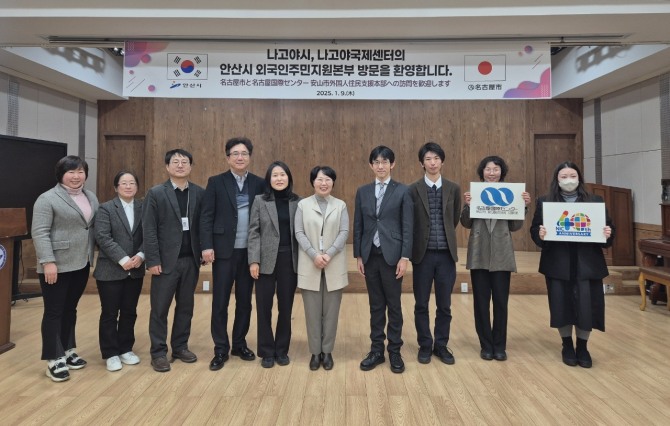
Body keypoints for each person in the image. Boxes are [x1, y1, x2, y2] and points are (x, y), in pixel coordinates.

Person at [530, 161, 614, 368]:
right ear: (557, 180)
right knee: (561, 305)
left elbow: (608, 229)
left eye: (572, 176)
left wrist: (607, 233)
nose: (569, 180)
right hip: (558, 263)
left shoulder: (594, 201)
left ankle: (583, 346)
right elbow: (535, 230)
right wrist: (540, 234)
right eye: (564, 176)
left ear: (579, 178)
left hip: (588, 264)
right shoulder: (545, 201)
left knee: (587, 306)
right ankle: (567, 344)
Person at [200, 137, 265, 371]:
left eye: (244, 153)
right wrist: (206, 246)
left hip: (249, 253)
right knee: (220, 302)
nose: (240, 157)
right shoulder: (216, 182)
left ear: (250, 157)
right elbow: (206, 216)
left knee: (245, 302)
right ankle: (220, 348)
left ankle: (239, 344)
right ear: (228, 158)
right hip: (223, 252)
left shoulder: (259, 183)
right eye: (235, 153)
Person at [32, 155, 99, 382]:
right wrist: (47, 262)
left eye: (80, 171)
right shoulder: (47, 199)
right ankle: (54, 358)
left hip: (81, 262)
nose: (76, 176)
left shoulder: (90, 196)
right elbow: (40, 232)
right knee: (54, 311)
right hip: (56, 265)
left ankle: (68, 350)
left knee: (70, 309)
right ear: (61, 174)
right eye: (71, 172)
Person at [460, 156, 530, 361]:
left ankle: (499, 345)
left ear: (502, 172)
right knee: (481, 303)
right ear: (482, 172)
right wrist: (467, 205)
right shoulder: (475, 193)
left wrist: (523, 206)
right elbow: (465, 223)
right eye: (488, 169)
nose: (492, 173)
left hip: (502, 254)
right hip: (479, 254)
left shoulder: (511, 193)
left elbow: (515, 226)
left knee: (500, 302)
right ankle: (486, 345)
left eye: (496, 169)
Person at [143, 149, 205, 373]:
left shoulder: (199, 192)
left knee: (186, 307)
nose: (180, 165)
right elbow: (149, 229)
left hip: (191, 260)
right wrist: (152, 259)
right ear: (167, 166)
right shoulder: (156, 193)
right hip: (165, 262)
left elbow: (203, 225)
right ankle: (158, 352)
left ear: (191, 166)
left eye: (184, 161)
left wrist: (204, 250)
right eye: (175, 162)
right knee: (159, 309)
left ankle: (180, 347)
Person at [353, 145, 413, 374]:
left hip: (392, 256)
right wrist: (359, 255)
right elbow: (358, 224)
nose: (380, 166)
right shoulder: (363, 191)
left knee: (394, 305)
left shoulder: (403, 191)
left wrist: (404, 257)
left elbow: (407, 226)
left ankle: (395, 350)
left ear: (392, 164)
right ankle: (376, 350)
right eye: (376, 162)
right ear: (371, 165)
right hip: (370, 255)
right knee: (376, 305)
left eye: (385, 162)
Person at [409, 142, 460, 365]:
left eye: (436, 158)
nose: (432, 163)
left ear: (442, 161)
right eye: (428, 159)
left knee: (444, 305)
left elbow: (454, 218)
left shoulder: (453, 188)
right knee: (421, 303)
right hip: (422, 255)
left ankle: (441, 345)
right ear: (422, 163)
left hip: (446, 255)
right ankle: (424, 344)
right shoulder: (412, 189)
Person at [295, 166, 349, 371]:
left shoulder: (341, 205)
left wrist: (329, 253)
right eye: (319, 179)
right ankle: (315, 352)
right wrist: (314, 255)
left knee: (331, 312)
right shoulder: (303, 205)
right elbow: (299, 232)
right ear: (313, 182)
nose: (323, 183)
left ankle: (327, 352)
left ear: (333, 182)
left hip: (333, 263)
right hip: (310, 264)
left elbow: (344, 232)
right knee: (312, 313)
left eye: (327, 179)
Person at [248, 161, 300, 368]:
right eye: (275, 175)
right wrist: (253, 260)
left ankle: (281, 350)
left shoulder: (297, 202)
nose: (279, 178)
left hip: (289, 261)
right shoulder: (260, 201)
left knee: (286, 307)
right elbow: (253, 232)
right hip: (265, 261)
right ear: (269, 179)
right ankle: (267, 351)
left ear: (289, 178)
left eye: (283, 175)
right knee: (264, 307)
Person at [93, 171, 145, 372]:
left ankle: (125, 348)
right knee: (110, 312)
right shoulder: (106, 208)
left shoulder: (144, 207)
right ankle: (110, 353)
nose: (128, 186)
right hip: (110, 269)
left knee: (129, 311)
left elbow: (151, 234)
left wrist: (141, 255)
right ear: (116, 187)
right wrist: (123, 259)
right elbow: (102, 237)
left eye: (132, 183)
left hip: (136, 267)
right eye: (124, 183)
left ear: (137, 187)